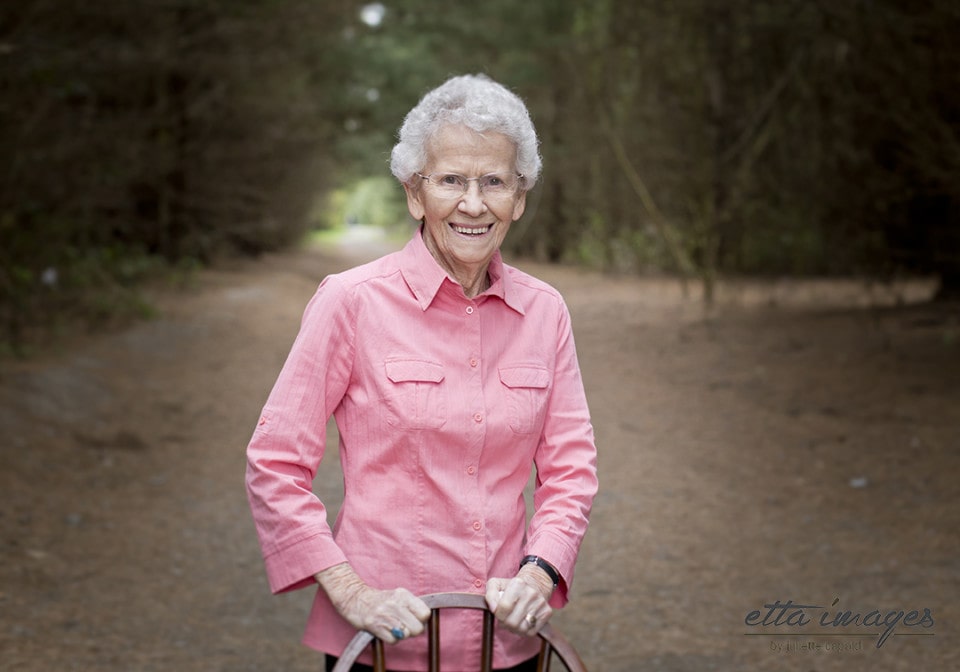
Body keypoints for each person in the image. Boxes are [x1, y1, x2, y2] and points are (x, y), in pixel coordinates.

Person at [245, 74, 598, 671]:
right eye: (451, 181)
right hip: (379, 649)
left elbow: (571, 472)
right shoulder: (350, 302)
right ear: (415, 193)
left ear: (519, 198)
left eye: (494, 182)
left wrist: (539, 576)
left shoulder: (546, 312)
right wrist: (350, 591)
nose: (473, 203)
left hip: (506, 647)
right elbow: (275, 463)